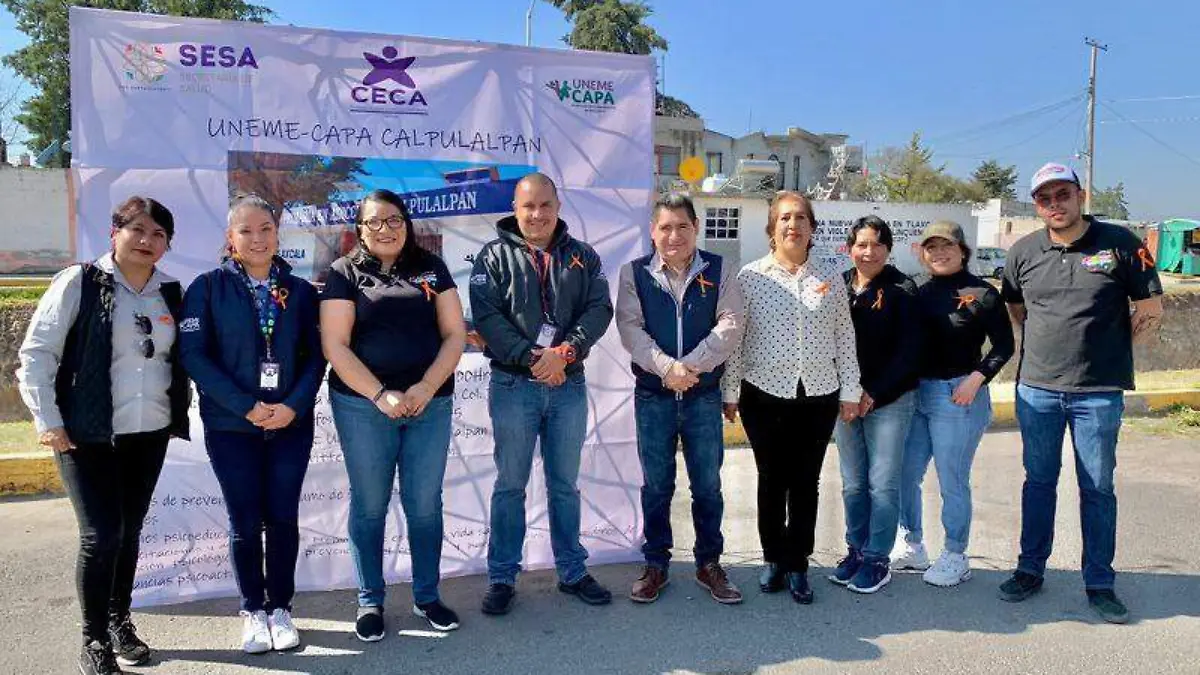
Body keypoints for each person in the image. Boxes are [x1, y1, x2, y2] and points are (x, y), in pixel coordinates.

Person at [17, 196, 190, 675]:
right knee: (102, 535)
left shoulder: (171, 292)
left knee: (129, 531)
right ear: (115, 232)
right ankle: (93, 639)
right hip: (85, 433)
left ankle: (118, 621)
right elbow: (38, 354)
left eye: (158, 234)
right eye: (138, 229)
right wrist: (48, 420)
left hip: (148, 433)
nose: (147, 241)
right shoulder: (80, 282)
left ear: (167, 244)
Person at [997, 162, 1164, 623]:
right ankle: (1030, 569)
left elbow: (1151, 307)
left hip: (1099, 393)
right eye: (1044, 198)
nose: (1055, 204)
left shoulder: (1121, 243)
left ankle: (1100, 583)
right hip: (1037, 390)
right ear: (1036, 205)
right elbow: (1017, 308)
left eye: (1062, 194)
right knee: (1038, 482)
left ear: (1080, 195)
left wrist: (1109, 351)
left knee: (1097, 487)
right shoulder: (1022, 251)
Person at [178, 195, 325, 654]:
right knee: (244, 519)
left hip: (290, 425)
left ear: (278, 234)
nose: (257, 239)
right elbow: (194, 356)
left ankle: (280, 608)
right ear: (230, 238)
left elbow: (316, 357)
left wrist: (293, 407)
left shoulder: (300, 291)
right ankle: (253, 611)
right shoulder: (207, 288)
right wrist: (245, 406)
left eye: (266, 229)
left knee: (282, 517)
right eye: (246, 231)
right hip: (231, 425)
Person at [321, 189, 466, 642]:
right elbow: (335, 346)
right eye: (375, 222)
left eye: (394, 220)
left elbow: (455, 335)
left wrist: (426, 386)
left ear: (407, 223)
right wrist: (380, 394)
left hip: (430, 404)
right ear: (360, 229)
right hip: (363, 407)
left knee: (424, 505)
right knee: (370, 505)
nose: (386, 229)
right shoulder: (343, 273)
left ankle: (427, 596)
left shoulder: (432, 267)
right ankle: (370, 600)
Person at [469, 172, 615, 615]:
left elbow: (599, 308)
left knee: (564, 485)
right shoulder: (492, 257)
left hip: (568, 385)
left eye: (545, 205)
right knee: (510, 485)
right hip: (514, 386)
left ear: (557, 206)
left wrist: (564, 354)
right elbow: (488, 318)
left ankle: (572, 570)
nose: (537, 214)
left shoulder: (583, 256)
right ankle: (502, 577)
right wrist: (535, 358)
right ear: (515, 208)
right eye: (528, 206)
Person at [721, 190, 861, 605]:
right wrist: (730, 392)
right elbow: (736, 341)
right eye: (784, 218)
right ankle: (773, 559)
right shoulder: (750, 277)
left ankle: (798, 563)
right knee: (771, 479)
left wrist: (851, 390)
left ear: (812, 228)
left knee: (805, 482)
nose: (792, 225)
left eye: (800, 217)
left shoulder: (830, 277)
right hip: (763, 394)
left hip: (818, 394)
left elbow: (844, 337)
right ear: (772, 228)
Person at [615, 193, 746, 605]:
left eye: (682, 226)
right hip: (653, 396)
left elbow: (731, 324)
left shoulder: (720, 269)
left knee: (707, 485)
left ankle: (709, 564)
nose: (674, 235)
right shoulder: (634, 273)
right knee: (656, 486)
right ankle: (656, 564)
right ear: (653, 232)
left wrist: (688, 367)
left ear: (696, 228)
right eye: (666, 227)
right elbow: (630, 329)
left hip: (702, 397)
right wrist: (666, 370)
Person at [894, 221, 1014, 587]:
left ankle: (956, 554)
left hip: (958, 395)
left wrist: (976, 379)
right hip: (917, 394)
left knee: (952, 480)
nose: (939, 253)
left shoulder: (983, 293)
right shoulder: (916, 291)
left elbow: (1004, 345)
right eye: (931, 247)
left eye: (947, 245)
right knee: (905, 474)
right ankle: (912, 544)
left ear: (963, 250)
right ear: (922, 253)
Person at [828, 216, 922, 595]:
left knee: (882, 483)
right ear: (849, 248)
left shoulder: (903, 288)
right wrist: (846, 392)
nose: (869, 252)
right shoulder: (839, 285)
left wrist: (874, 393)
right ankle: (856, 550)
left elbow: (909, 353)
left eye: (877, 244)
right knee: (853, 483)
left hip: (890, 400)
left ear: (888, 249)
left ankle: (877, 559)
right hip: (846, 400)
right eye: (861, 244)